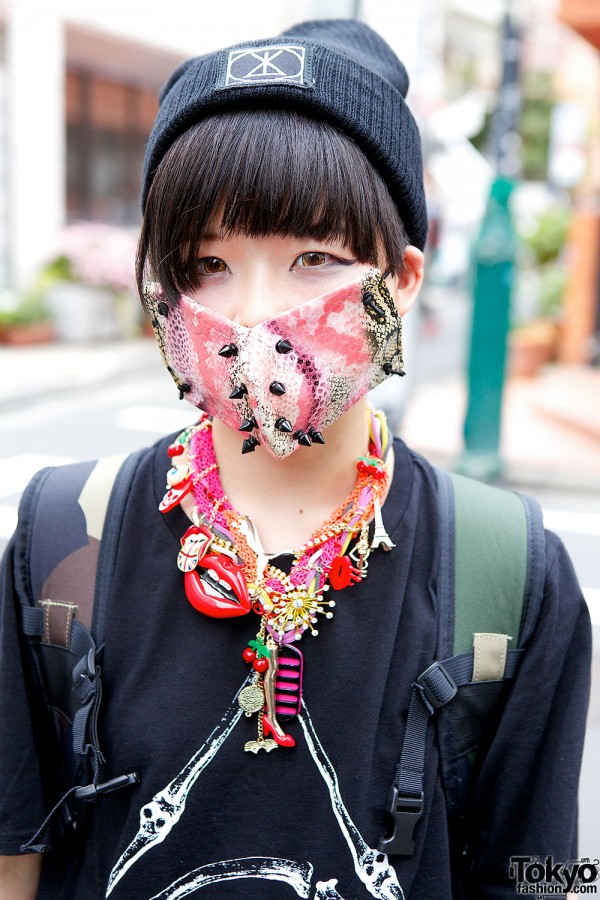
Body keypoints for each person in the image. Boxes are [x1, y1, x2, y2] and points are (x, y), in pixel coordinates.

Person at [0, 18, 591, 900]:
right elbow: (16, 847)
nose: (254, 315)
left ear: (404, 283)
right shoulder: (59, 538)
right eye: (207, 263)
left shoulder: (514, 571)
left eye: (315, 256)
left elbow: (549, 877)